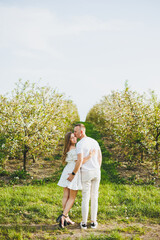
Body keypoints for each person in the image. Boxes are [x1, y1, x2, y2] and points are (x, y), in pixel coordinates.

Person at [67, 123, 102, 229]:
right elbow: (99, 157)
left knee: (86, 197)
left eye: (75, 131)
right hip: (96, 172)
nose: (74, 133)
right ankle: (93, 222)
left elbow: (79, 161)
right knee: (94, 197)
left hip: (86, 172)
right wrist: (98, 168)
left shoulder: (80, 144)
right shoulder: (94, 141)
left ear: (81, 132)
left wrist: (73, 173)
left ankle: (84, 222)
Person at [57, 131, 95, 228]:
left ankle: (67, 217)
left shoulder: (67, 148)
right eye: (72, 138)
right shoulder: (75, 149)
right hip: (73, 172)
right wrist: (90, 156)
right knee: (72, 197)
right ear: (69, 140)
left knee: (66, 195)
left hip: (66, 171)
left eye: (75, 137)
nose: (75, 139)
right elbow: (79, 162)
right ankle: (63, 216)